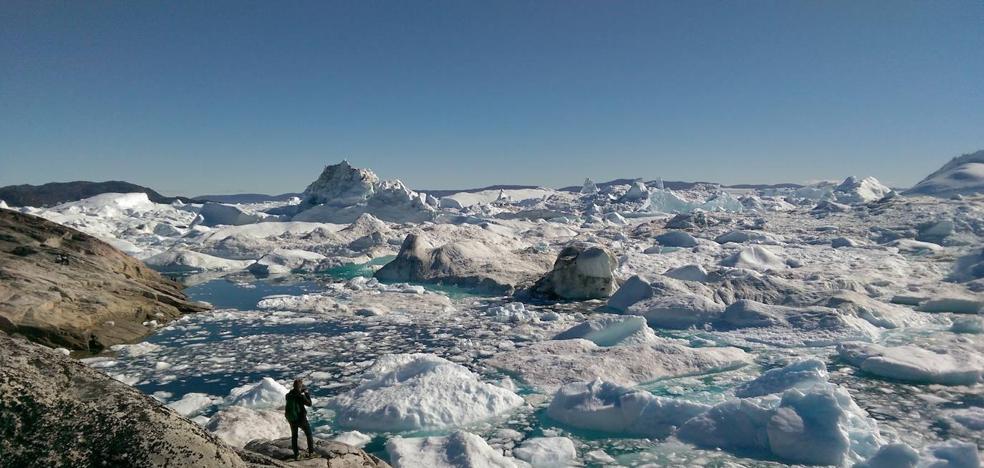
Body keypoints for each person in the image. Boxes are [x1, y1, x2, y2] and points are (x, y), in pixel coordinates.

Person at [284, 378, 314, 460]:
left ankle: (296, 455)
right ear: (300, 387)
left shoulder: (288, 395)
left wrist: (299, 390)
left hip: (292, 419)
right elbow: (309, 403)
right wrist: (306, 393)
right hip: (301, 419)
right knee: (309, 434)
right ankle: (311, 453)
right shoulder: (301, 396)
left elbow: (294, 394)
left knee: (294, 436)